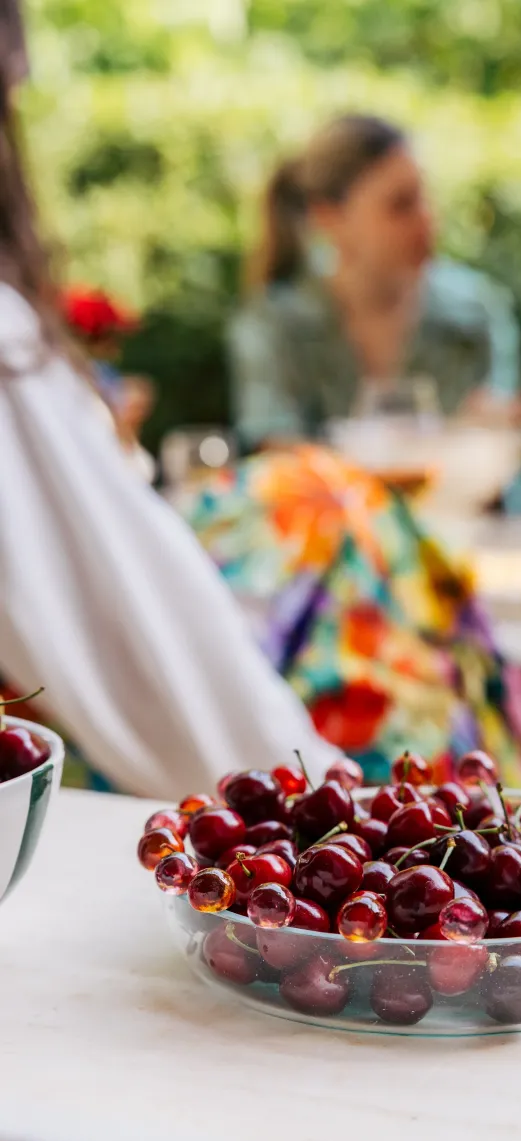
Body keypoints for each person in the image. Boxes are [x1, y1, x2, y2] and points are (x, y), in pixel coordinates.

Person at [0, 61, 336, 798]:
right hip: (105, 768)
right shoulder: (6, 342)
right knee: (338, 514)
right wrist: (312, 794)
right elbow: (130, 637)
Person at [229, 113, 521, 450]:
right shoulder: (276, 321)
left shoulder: (474, 310)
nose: (427, 219)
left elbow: (494, 462)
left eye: (425, 197)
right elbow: (276, 452)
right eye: (401, 205)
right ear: (328, 218)